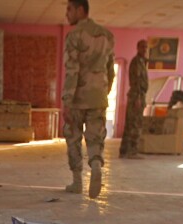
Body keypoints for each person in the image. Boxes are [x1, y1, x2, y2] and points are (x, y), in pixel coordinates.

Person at [62, 0, 115, 199]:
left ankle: (77, 182)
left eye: (69, 9)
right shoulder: (107, 35)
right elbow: (110, 70)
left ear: (80, 10)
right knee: (95, 136)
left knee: (73, 136)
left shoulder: (74, 36)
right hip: (98, 96)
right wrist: (104, 92)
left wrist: (67, 100)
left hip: (78, 97)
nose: (66, 14)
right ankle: (95, 166)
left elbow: (72, 70)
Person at [119, 39, 149, 159]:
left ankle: (124, 151)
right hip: (136, 96)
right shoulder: (136, 62)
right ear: (138, 48)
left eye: (146, 47)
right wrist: (138, 98)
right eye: (142, 47)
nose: (145, 49)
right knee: (135, 125)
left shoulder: (142, 62)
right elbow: (135, 82)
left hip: (139, 96)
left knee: (131, 124)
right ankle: (132, 151)